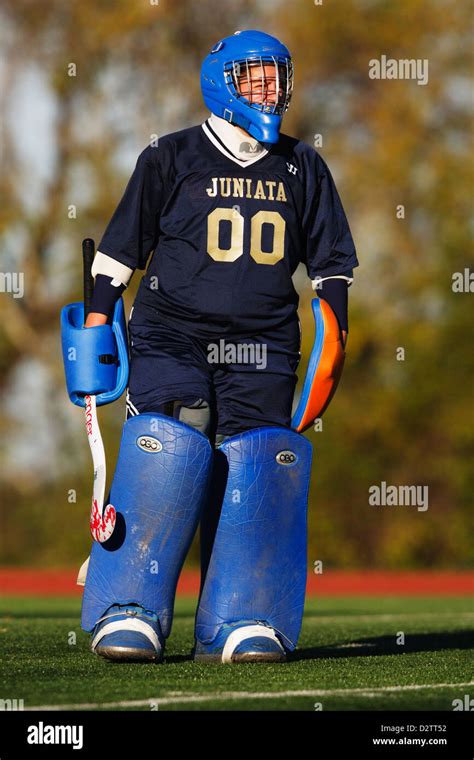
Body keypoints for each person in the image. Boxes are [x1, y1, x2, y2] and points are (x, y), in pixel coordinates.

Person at [80, 29, 358, 664]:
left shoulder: (303, 165)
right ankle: (129, 607)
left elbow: (331, 268)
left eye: (276, 78)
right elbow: (118, 256)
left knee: (255, 462)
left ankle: (244, 614)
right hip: (172, 334)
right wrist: (98, 321)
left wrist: (334, 333)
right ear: (220, 81)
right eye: (254, 77)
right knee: (168, 445)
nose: (269, 89)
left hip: (263, 343)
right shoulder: (170, 156)